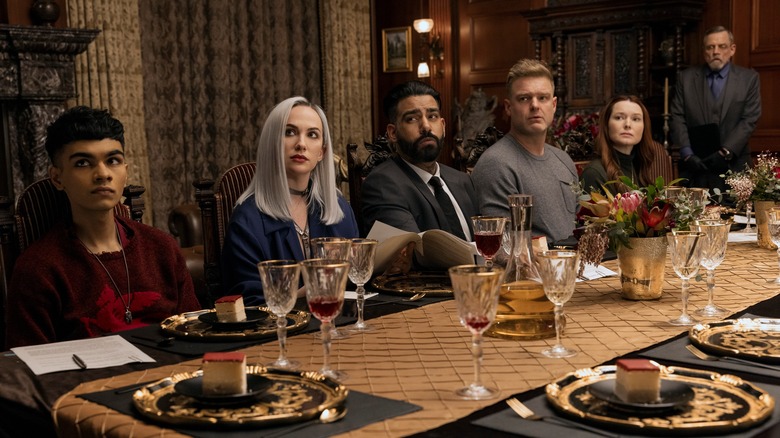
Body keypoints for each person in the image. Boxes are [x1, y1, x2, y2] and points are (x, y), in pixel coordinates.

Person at [5, 106, 200, 348]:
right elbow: (28, 367)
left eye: (113, 160)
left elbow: (195, 337)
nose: (103, 174)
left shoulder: (162, 249)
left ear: (125, 172)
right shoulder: (39, 268)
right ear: (57, 178)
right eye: (83, 163)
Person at [221, 97, 358, 304]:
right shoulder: (247, 220)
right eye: (290, 132)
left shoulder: (340, 209)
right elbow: (246, 303)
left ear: (322, 152)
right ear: (272, 144)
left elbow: (355, 282)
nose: (301, 144)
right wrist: (302, 294)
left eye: (312, 135)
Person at [471, 59, 578, 243]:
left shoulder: (564, 160)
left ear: (553, 105)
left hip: (573, 267)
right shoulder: (496, 164)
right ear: (508, 107)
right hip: (530, 270)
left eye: (542, 98)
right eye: (524, 98)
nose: (535, 105)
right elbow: (504, 247)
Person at [361, 80, 478, 240]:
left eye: (432, 116)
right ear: (393, 133)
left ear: (443, 126)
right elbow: (414, 252)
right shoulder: (382, 184)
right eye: (412, 119)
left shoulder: (463, 180)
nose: (426, 126)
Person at [671, 25, 761, 193]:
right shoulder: (686, 78)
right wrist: (687, 153)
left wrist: (726, 151)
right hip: (696, 167)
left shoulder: (749, 79)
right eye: (710, 47)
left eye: (722, 46)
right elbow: (677, 116)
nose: (716, 52)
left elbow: (749, 119)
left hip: (735, 167)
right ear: (704, 51)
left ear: (732, 49)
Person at [581, 95, 658, 194]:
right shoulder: (593, 173)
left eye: (636, 119)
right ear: (606, 125)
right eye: (619, 117)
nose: (628, 124)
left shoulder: (639, 169)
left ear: (644, 127)